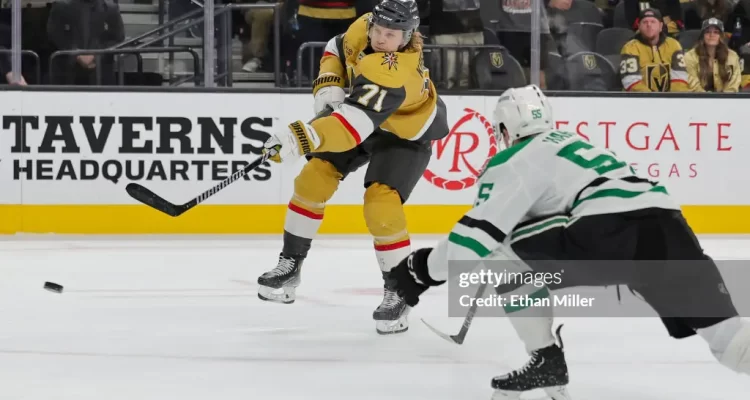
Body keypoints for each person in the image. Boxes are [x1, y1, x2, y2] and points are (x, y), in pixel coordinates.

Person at [385, 85, 749, 399]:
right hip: (667, 222)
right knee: (730, 341)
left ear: (505, 127)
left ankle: (546, 358)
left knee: (500, 246)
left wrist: (420, 271)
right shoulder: (574, 143)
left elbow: (473, 239)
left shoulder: (514, 157)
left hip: (609, 231)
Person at [256, 0, 449, 335]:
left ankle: (399, 291)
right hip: (359, 114)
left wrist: (301, 136)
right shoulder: (365, 27)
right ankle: (290, 265)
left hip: (404, 132)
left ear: (407, 37)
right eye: (378, 29)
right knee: (312, 180)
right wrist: (329, 83)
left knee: (380, 204)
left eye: (391, 34)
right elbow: (336, 47)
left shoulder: (393, 68)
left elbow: (350, 130)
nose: (380, 38)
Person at [620, 8, 689, 92]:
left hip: (671, 100)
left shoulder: (674, 45)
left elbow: (680, 78)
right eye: (645, 22)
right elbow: (631, 82)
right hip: (640, 101)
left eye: (653, 22)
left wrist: (673, 100)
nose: (649, 25)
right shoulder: (630, 48)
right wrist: (653, 100)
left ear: (660, 26)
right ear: (639, 26)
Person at [685, 18, 742, 92]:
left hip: (726, 101)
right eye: (708, 32)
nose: (712, 35)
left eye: (716, 32)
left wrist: (724, 101)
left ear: (721, 36)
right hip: (698, 100)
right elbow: (693, 85)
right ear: (702, 36)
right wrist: (707, 101)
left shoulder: (732, 56)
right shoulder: (690, 56)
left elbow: (733, 85)